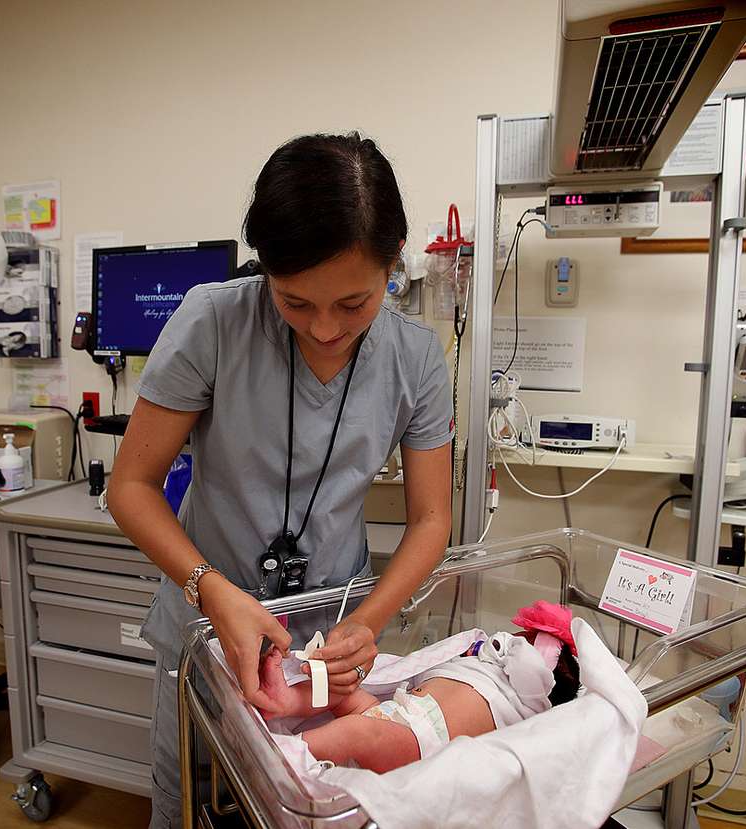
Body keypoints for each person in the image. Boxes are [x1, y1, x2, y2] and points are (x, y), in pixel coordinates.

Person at [107, 131, 454, 828]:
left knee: (319, 804)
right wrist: (212, 589)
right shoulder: (213, 322)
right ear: (263, 270)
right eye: (295, 303)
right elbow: (132, 487)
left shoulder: (415, 359)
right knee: (192, 806)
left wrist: (368, 620)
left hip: (327, 645)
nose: (325, 329)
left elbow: (431, 519)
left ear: (394, 267)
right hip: (209, 624)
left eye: (353, 304)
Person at [254, 601, 582, 774]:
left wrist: (536, 644)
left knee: (355, 731)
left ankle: (285, 756)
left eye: (523, 638)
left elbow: (531, 665)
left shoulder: (528, 693)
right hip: (397, 712)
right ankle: (286, 701)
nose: (508, 638)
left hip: (421, 743)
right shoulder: (479, 660)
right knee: (346, 688)